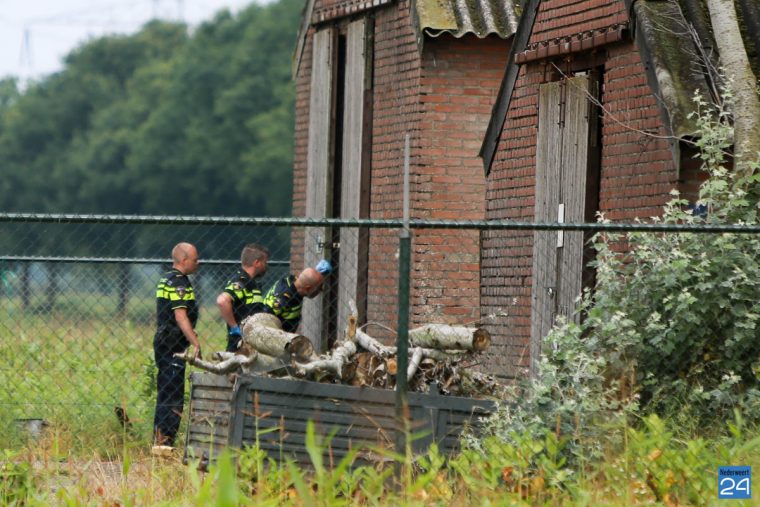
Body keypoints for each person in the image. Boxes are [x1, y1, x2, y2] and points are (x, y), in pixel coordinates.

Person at [153, 242, 202, 447]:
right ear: (183, 260)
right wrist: (195, 342)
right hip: (173, 344)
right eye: (194, 259)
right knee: (172, 395)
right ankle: (164, 444)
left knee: (166, 391)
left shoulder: (167, 278)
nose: (198, 262)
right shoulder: (179, 282)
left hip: (166, 341)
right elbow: (181, 316)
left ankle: (160, 442)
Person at [216, 244, 269, 352]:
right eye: (265, 262)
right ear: (257, 263)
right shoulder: (242, 281)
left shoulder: (251, 282)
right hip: (240, 346)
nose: (266, 265)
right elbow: (222, 301)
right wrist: (234, 328)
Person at [263, 260, 332, 332]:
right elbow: (265, 318)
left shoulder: (294, 281)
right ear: (308, 288)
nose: (321, 290)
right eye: (319, 287)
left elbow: (308, 278)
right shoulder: (284, 298)